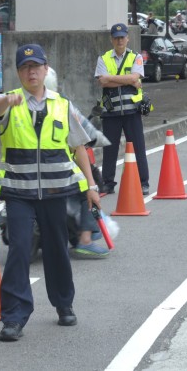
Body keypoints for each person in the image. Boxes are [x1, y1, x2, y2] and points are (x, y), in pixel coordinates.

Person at [0, 44, 102, 342]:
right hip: (18, 194)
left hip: (55, 192)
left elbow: (79, 148)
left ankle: (64, 303)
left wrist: (91, 187)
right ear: (18, 72)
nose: (31, 72)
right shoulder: (9, 103)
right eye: (25, 68)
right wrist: (5, 99)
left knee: (56, 248)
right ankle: (13, 318)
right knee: (19, 251)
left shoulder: (61, 105)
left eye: (36, 66)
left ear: (45, 69)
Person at [44, 66, 110, 259]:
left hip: (28, 175)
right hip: (60, 173)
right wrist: (91, 186)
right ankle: (86, 240)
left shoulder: (21, 106)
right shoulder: (62, 106)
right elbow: (79, 143)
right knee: (88, 191)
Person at [95, 23, 150, 195]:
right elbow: (103, 81)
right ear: (112, 39)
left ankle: (143, 183)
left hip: (132, 110)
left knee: (138, 147)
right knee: (109, 149)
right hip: (111, 112)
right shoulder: (103, 58)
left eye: (122, 37)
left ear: (128, 38)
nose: (120, 40)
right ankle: (108, 183)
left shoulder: (136, 57)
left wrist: (111, 78)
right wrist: (128, 80)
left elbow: (135, 77)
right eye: (116, 37)